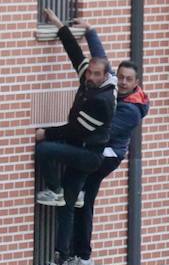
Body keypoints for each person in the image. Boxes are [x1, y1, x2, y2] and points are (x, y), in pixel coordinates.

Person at [39, 10, 151, 265]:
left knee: (82, 200)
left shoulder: (129, 110)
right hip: (92, 150)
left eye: (128, 80)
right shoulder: (107, 82)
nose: (122, 82)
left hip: (105, 156)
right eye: (120, 77)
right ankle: (78, 254)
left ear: (137, 84)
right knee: (79, 201)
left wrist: (56, 136)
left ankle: (77, 255)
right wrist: (88, 32)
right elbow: (93, 60)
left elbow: (98, 132)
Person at [32, 34, 117, 208]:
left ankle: (55, 191)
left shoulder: (102, 100)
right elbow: (76, 55)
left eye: (96, 74)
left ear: (105, 76)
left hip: (89, 154)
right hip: (82, 145)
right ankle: (74, 195)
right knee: (70, 204)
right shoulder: (90, 82)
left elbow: (75, 130)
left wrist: (45, 133)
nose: (90, 77)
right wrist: (60, 27)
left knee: (43, 149)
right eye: (89, 73)